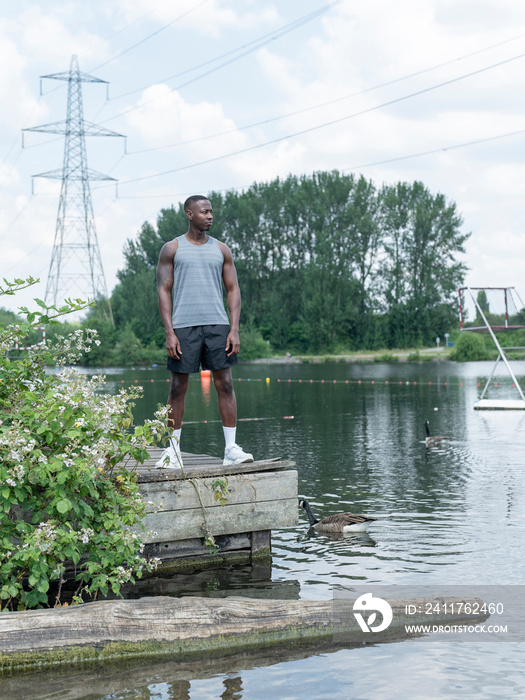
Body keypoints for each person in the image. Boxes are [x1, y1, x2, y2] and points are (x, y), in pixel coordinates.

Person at [155, 194, 254, 469]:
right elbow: (163, 290)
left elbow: (233, 290)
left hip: (217, 325)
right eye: (204, 212)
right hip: (183, 326)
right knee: (177, 388)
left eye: (211, 212)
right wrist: (169, 332)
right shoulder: (172, 248)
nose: (210, 216)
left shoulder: (222, 249)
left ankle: (231, 450)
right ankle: (173, 450)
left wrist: (234, 329)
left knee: (226, 384)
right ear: (189, 214)